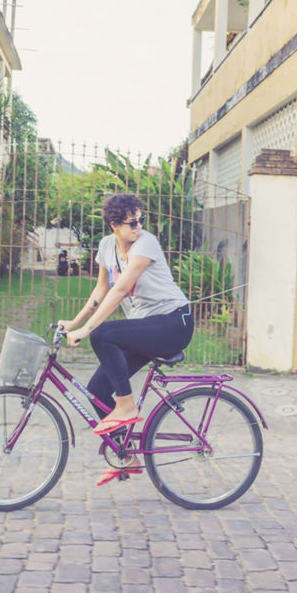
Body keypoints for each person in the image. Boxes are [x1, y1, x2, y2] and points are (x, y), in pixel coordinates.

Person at [59, 194, 194, 486]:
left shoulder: (146, 243)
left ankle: (127, 406)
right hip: (146, 326)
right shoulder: (107, 246)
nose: (139, 226)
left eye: (141, 220)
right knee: (96, 390)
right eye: (132, 223)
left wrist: (87, 330)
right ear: (114, 226)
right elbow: (101, 290)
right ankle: (127, 455)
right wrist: (74, 322)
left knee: (103, 334)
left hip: (174, 323)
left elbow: (120, 290)